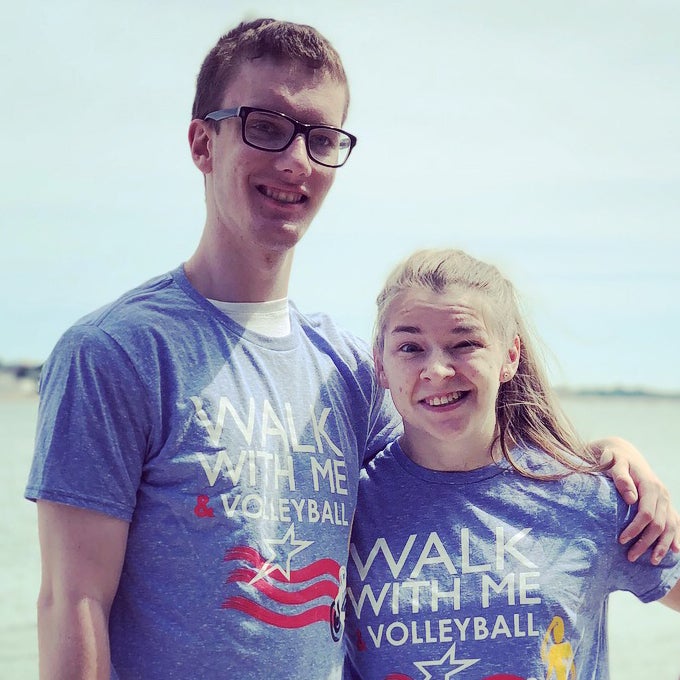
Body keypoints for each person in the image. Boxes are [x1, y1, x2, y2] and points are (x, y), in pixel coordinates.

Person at [24, 18, 676, 680]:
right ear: (201, 142)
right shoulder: (115, 354)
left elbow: (455, 471)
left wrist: (607, 461)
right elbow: (69, 605)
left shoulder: (343, 370)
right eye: (266, 126)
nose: (296, 160)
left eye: (321, 137)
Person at [343, 249, 680, 679]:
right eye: (410, 347)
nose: (438, 370)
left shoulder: (591, 497)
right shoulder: (347, 504)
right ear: (381, 363)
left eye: (464, 344)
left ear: (510, 357)